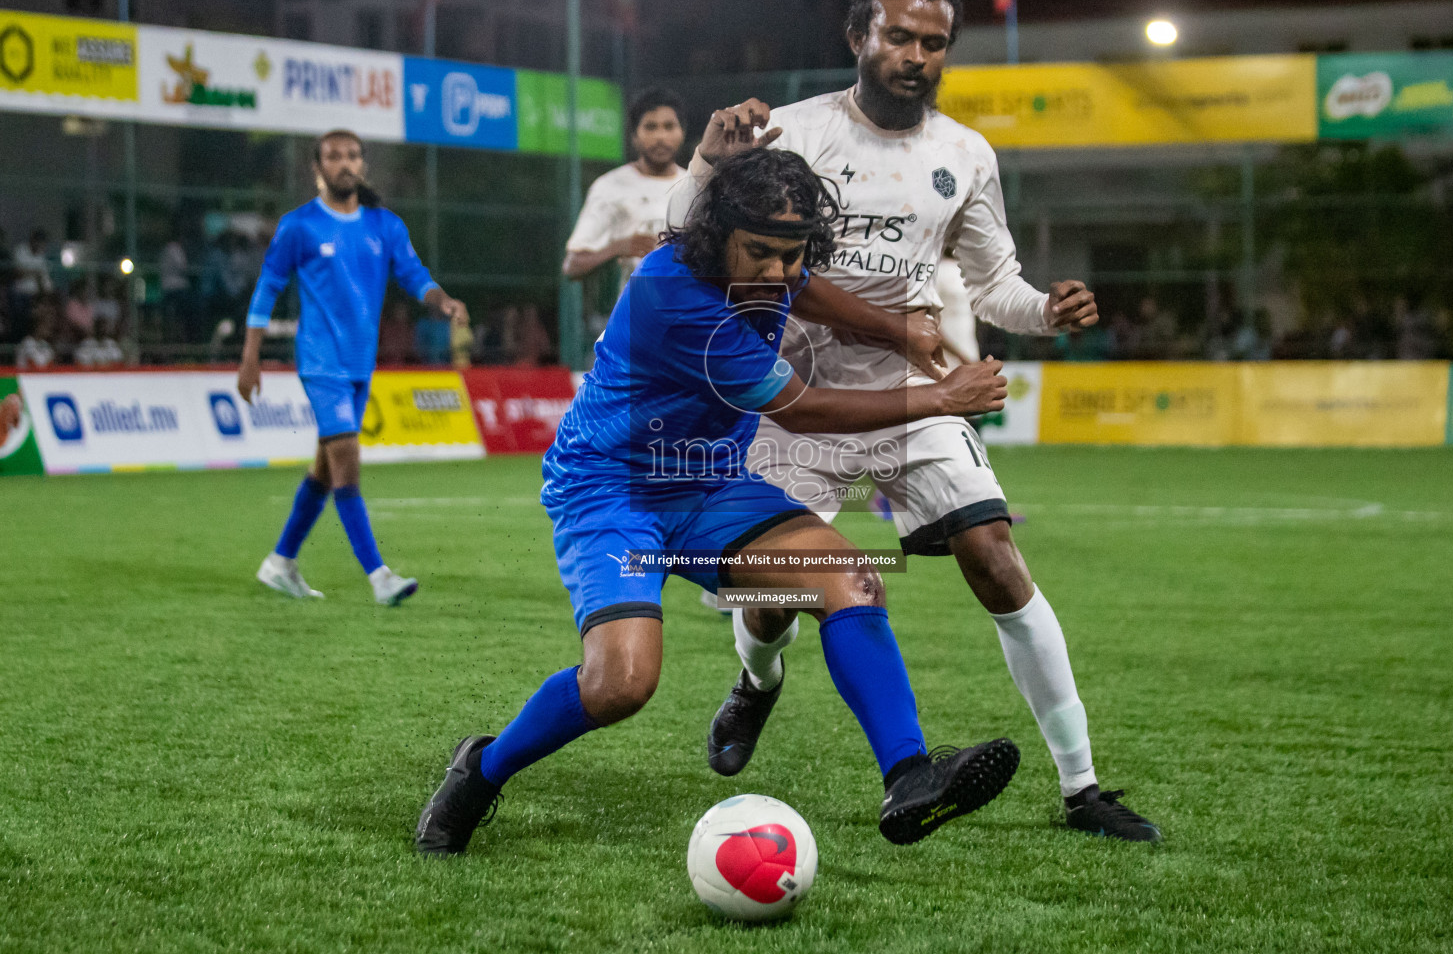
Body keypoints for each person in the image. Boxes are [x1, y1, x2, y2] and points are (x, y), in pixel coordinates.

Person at [670, 0, 1160, 842]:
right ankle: (757, 683)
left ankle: (1083, 788)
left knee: (997, 556)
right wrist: (708, 160)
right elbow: (712, 242)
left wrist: (1047, 310)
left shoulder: (966, 154)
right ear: (860, 36)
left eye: (934, 43)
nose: (917, 56)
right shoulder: (795, 133)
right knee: (775, 598)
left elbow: (995, 283)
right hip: (794, 403)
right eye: (899, 36)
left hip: (916, 399)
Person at [416, 148, 1021, 856]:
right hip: (613, 491)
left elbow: (808, 288)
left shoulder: (773, 268)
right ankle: (481, 770)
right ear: (717, 237)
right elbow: (802, 407)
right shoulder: (673, 294)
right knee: (621, 685)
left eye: (791, 253)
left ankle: (910, 776)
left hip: (710, 484)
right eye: (759, 252)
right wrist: (942, 397)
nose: (776, 271)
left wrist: (893, 327)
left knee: (852, 578)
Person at [238, 128, 469, 606]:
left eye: (352, 156)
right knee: (346, 458)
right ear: (317, 168)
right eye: (333, 156)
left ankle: (280, 562)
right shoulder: (298, 226)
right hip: (321, 360)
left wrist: (440, 300)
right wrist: (250, 356)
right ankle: (379, 576)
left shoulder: (385, 226)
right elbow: (266, 288)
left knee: (324, 470)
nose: (344, 163)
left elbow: (414, 275)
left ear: (362, 165)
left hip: (361, 364)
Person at [562, 88, 688, 333]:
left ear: (682, 132)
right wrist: (619, 247)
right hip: (629, 328)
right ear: (634, 136)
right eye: (650, 127)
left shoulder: (696, 187)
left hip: (688, 325)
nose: (661, 136)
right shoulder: (610, 187)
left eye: (669, 126)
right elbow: (572, 266)